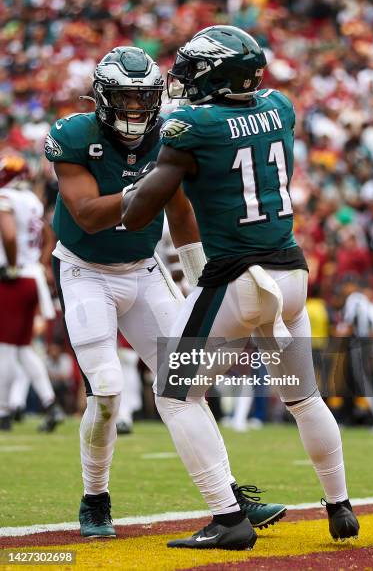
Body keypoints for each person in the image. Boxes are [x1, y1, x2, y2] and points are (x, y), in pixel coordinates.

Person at [122, 25, 360, 549]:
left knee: (174, 392)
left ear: (216, 76)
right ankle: (340, 506)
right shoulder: (281, 106)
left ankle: (228, 519)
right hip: (292, 275)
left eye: (192, 68)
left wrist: (123, 189)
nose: (182, 76)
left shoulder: (191, 125)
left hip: (238, 278)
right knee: (305, 397)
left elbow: (142, 209)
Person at [45, 46, 286, 540]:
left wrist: (202, 273)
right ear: (102, 97)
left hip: (145, 269)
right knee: (108, 392)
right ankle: (95, 496)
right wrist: (150, 185)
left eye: (144, 97)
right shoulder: (75, 134)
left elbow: (179, 211)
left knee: (186, 384)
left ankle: (229, 499)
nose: (135, 109)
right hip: (85, 271)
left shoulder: (171, 132)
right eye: (125, 98)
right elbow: (88, 214)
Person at [0, 152, 63, 433]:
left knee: (4, 349)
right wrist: (37, 262)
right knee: (23, 348)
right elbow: (48, 236)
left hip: (13, 278)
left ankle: (3, 409)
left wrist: (13, 265)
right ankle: (50, 403)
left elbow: (10, 234)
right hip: (32, 277)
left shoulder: (6, 199)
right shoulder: (33, 201)